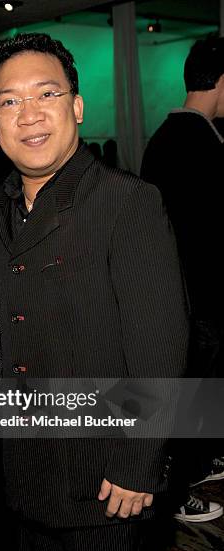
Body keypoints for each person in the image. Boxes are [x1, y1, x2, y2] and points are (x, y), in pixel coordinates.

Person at [0, 33, 189, 551]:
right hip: (23, 477)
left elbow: (160, 344)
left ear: (76, 106)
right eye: (9, 101)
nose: (29, 114)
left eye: (45, 94)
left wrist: (136, 463)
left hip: (103, 480)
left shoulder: (125, 201)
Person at [141, 36, 224, 523]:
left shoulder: (165, 139)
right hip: (200, 296)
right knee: (191, 390)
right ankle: (179, 486)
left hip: (182, 293)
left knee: (198, 389)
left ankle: (194, 466)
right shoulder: (198, 144)